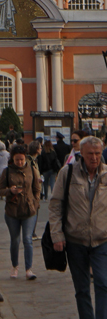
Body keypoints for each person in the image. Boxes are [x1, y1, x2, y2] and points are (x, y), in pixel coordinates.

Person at [50, 136, 107, 319]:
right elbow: (56, 204)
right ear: (81, 153)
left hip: (102, 239)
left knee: (103, 283)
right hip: (76, 240)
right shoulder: (68, 173)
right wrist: (57, 235)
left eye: (98, 153)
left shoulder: (106, 174)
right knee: (82, 289)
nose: (94, 158)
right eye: (90, 153)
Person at [0, 144, 42, 280]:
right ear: (13, 159)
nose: (20, 162)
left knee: (28, 239)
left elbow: (37, 189)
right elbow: (0, 190)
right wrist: (10, 191)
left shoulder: (31, 170)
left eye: (22, 159)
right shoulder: (7, 171)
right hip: (13, 210)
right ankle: (15, 266)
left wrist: (35, 202)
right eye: (17, 160)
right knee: (15, 240)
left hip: (29, 210)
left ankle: (29, 269)